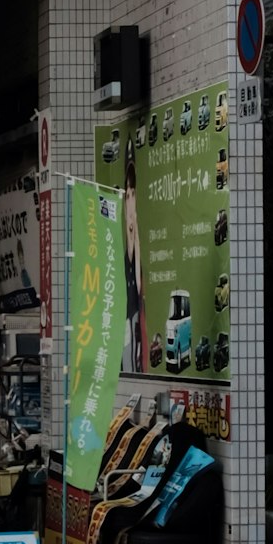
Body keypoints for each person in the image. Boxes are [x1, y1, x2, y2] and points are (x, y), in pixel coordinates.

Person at [122, 137, 148, 373]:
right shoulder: (121, 266)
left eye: (134, 192)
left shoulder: (141, 263)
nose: (131, 201)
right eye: (127, 194)